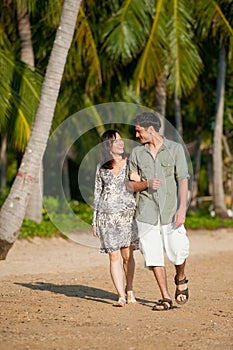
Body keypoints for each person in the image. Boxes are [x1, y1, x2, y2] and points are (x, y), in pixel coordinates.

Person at [127, 112, 190, 311]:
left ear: (151, 129)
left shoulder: (175, 149)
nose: (137, 136)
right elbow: (129, 185)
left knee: (178, 250)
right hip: (145, 213)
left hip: (171, 211)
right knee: (153, 255)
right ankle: (165, 297)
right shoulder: (137, 153)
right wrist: (145, 183)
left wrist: (182, 208)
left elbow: (182, 179)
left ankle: (180, 277)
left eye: (139, 131)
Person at [92, 129, 138, 307]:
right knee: (113, 256)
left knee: (127, 256)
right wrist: (94, 220)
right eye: (116, 141)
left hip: (127, 216)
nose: (121, 143)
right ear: (107, 145)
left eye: (121, 139)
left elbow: (142, 183)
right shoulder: (102, 166)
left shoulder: (131, 162)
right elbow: (97, 193)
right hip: (107, 217)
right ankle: (120, 295)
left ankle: (130, 289)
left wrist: (137, 177)